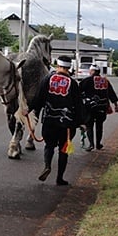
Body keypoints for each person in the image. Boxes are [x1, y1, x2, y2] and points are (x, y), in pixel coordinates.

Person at [28, 55, 85, 186]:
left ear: (58, 66)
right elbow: (78, 104)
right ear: (69, 67)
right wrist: (81, 122)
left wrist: (30, 109)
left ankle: (47, 166)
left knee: (49, 146)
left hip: (49, 120)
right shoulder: (73, 84)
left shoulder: (47, 79)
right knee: (63, 150)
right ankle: (60, 178)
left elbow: (39, 98)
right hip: (67, 124)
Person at [79, 64, 118, 151]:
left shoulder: (87, 80)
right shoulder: (105, 81)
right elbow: (111, 93)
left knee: (89, 125)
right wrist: (115, 105)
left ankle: (91, 144)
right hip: (102, 107)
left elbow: (78, 91)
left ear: (92, 71)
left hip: (90, 107)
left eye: (90, 71)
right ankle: (98, 144)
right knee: (99, 125)